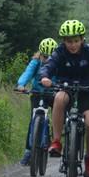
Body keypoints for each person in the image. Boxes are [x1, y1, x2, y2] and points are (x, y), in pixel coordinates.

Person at [39, 20, 89, 177]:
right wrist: (45, 76)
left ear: (82, 39)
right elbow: (48, 66)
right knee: (59, 98)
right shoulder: (59, 52)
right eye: (69, 41)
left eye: (76, 41)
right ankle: (57, 141)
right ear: (64, 41)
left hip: (88, 91)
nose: (73, 45)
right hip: (66, 87)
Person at [15, 37, 59, 165]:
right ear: (40, 54)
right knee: (33, 120)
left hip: (53, 94)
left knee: (59, 115)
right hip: (37, 93)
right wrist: (21, 84)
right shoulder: (35, 62)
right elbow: (27, 73)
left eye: (50, 57)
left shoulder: (58, 64)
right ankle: (29, 152)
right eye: (45, 57)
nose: (47, 60)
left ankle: (56, 140)